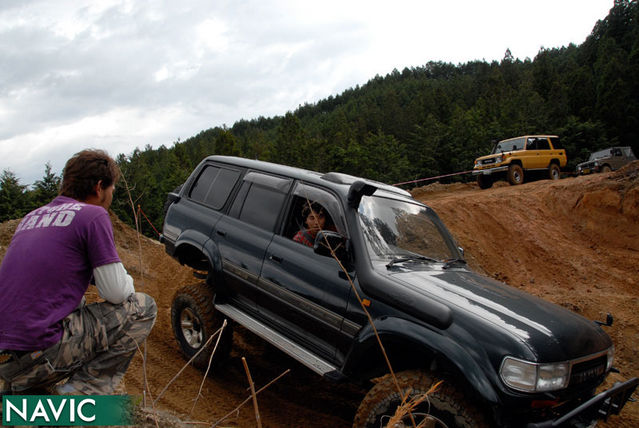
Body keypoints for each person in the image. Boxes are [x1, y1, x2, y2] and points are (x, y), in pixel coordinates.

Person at [0, 149, 157, 396]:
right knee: (143, 307)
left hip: (7, 364)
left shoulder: (31, 217)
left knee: (77, 302)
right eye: (112, 189)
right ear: (98, 187)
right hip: (41, 355)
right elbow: (116, 292)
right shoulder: (93, 216)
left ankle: (30, 393)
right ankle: (82, 393)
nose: (111, 196)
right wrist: (126, 280)